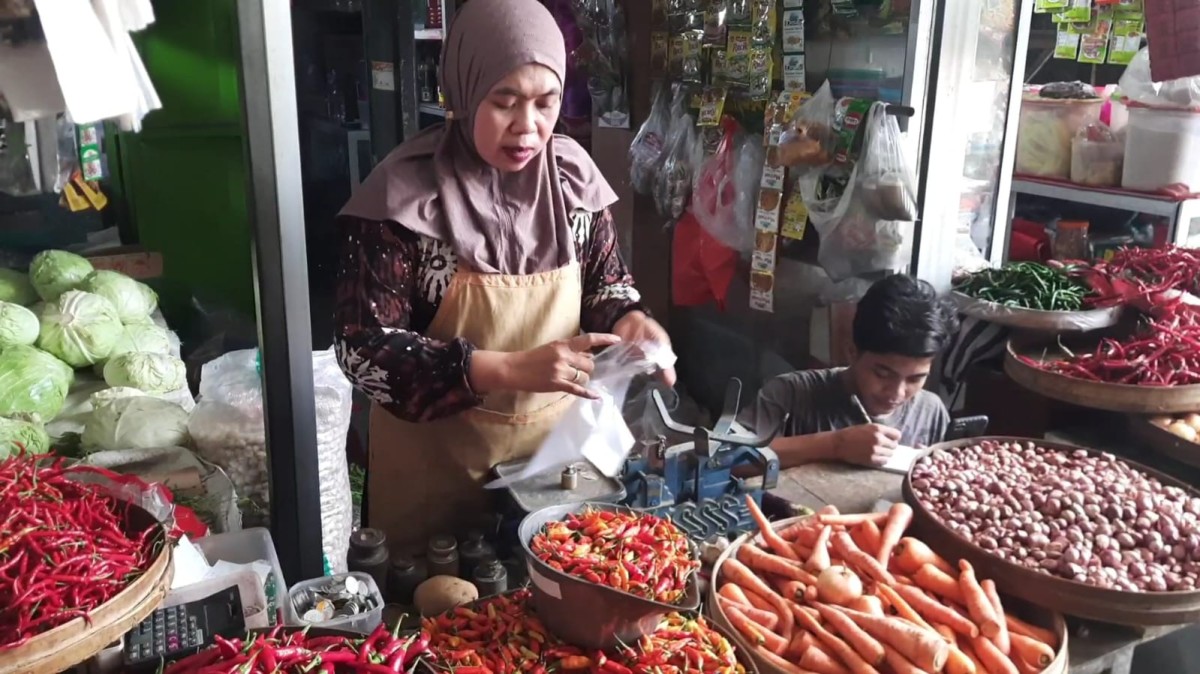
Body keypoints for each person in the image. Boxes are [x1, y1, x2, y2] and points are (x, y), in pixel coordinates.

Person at [334, 0, 673, 549]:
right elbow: (362, 348)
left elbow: (605, 283)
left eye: (546, 102)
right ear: (464, 92)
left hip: (551, 475)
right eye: (505, 102)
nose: (528, 126)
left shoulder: (572, 183)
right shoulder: (404, 200)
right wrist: (510, 368)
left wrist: (629, 318)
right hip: (434, 478)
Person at [741, 275, 958, 469]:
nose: (897, 393)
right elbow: (728, 460)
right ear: (852, 352)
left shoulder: (930, 411)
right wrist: (834, 445)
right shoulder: (790, 393)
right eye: (883, 374)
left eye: (915, 379)